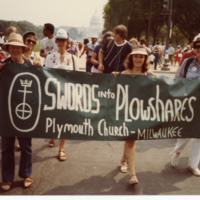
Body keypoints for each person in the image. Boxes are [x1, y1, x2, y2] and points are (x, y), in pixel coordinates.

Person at [0, 33, 33, 191]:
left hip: (25, 112)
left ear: (22, 49)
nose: (15, 50)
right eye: (12, 47)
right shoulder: (2, 66)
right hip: (6, 112)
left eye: (17, 47)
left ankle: (26, 174)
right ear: (8, 48)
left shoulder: (30, 66)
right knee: (7, 146)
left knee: (26, 145)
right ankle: (7, 178)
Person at [113, 47, 150, 184]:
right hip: (126, 111)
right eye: (136, 56)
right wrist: (115, 77)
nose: (138, 59)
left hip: (140, 112)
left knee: (130, 140)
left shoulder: (148, 76)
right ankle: (132, 174)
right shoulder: (124, 74)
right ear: (131, 58)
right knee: (131, 140)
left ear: (145, 59)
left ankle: (124, 159)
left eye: (141, 57)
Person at [45, 29, 79, 161]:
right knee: (52, 118)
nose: (61, 43)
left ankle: (61, 149)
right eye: (59, 40)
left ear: (67, 42)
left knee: (64, 121)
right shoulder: (49, 57)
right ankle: (52, 136)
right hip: (52, 94)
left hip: (67, 94)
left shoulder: (73, 58)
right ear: (56, 41)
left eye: (63, 40)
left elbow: (78, 77)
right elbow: (45, 74)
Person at [170, 33, 200, 177]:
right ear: (194, 47)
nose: (199, 48)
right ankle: (177, 150)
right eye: (197, 46)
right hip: (188, 103)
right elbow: (178, 81)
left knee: (198, 136)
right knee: (185, 133)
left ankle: (193, 164)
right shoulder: (187, 63)